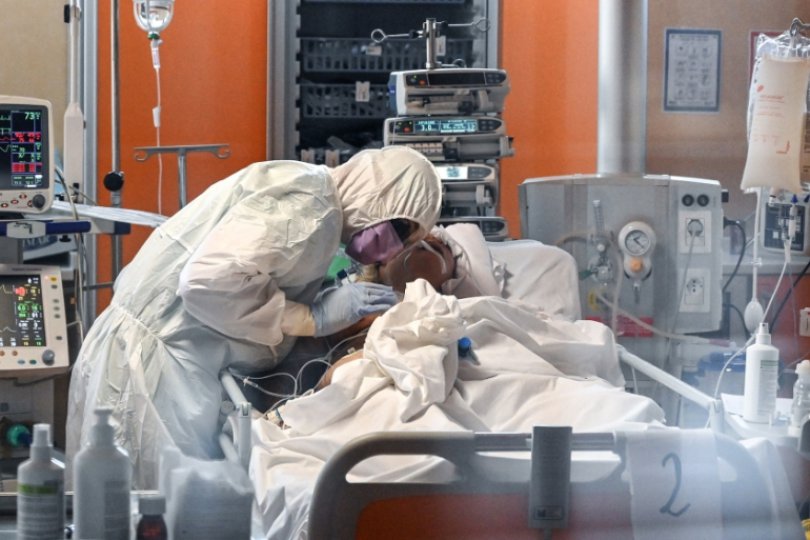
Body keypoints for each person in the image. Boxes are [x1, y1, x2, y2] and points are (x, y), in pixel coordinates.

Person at [66, 146, 443, 488]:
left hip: (155, 354)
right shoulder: (311, 205)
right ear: (378, 192)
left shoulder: (313, 200)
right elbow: (208, 282)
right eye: (398, 229)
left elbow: (250, 273)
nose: (392, 248)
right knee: (146, 510)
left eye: (407, 242)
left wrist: (313, 305)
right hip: (153, 370)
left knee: (129, 506)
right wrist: (311, 317)